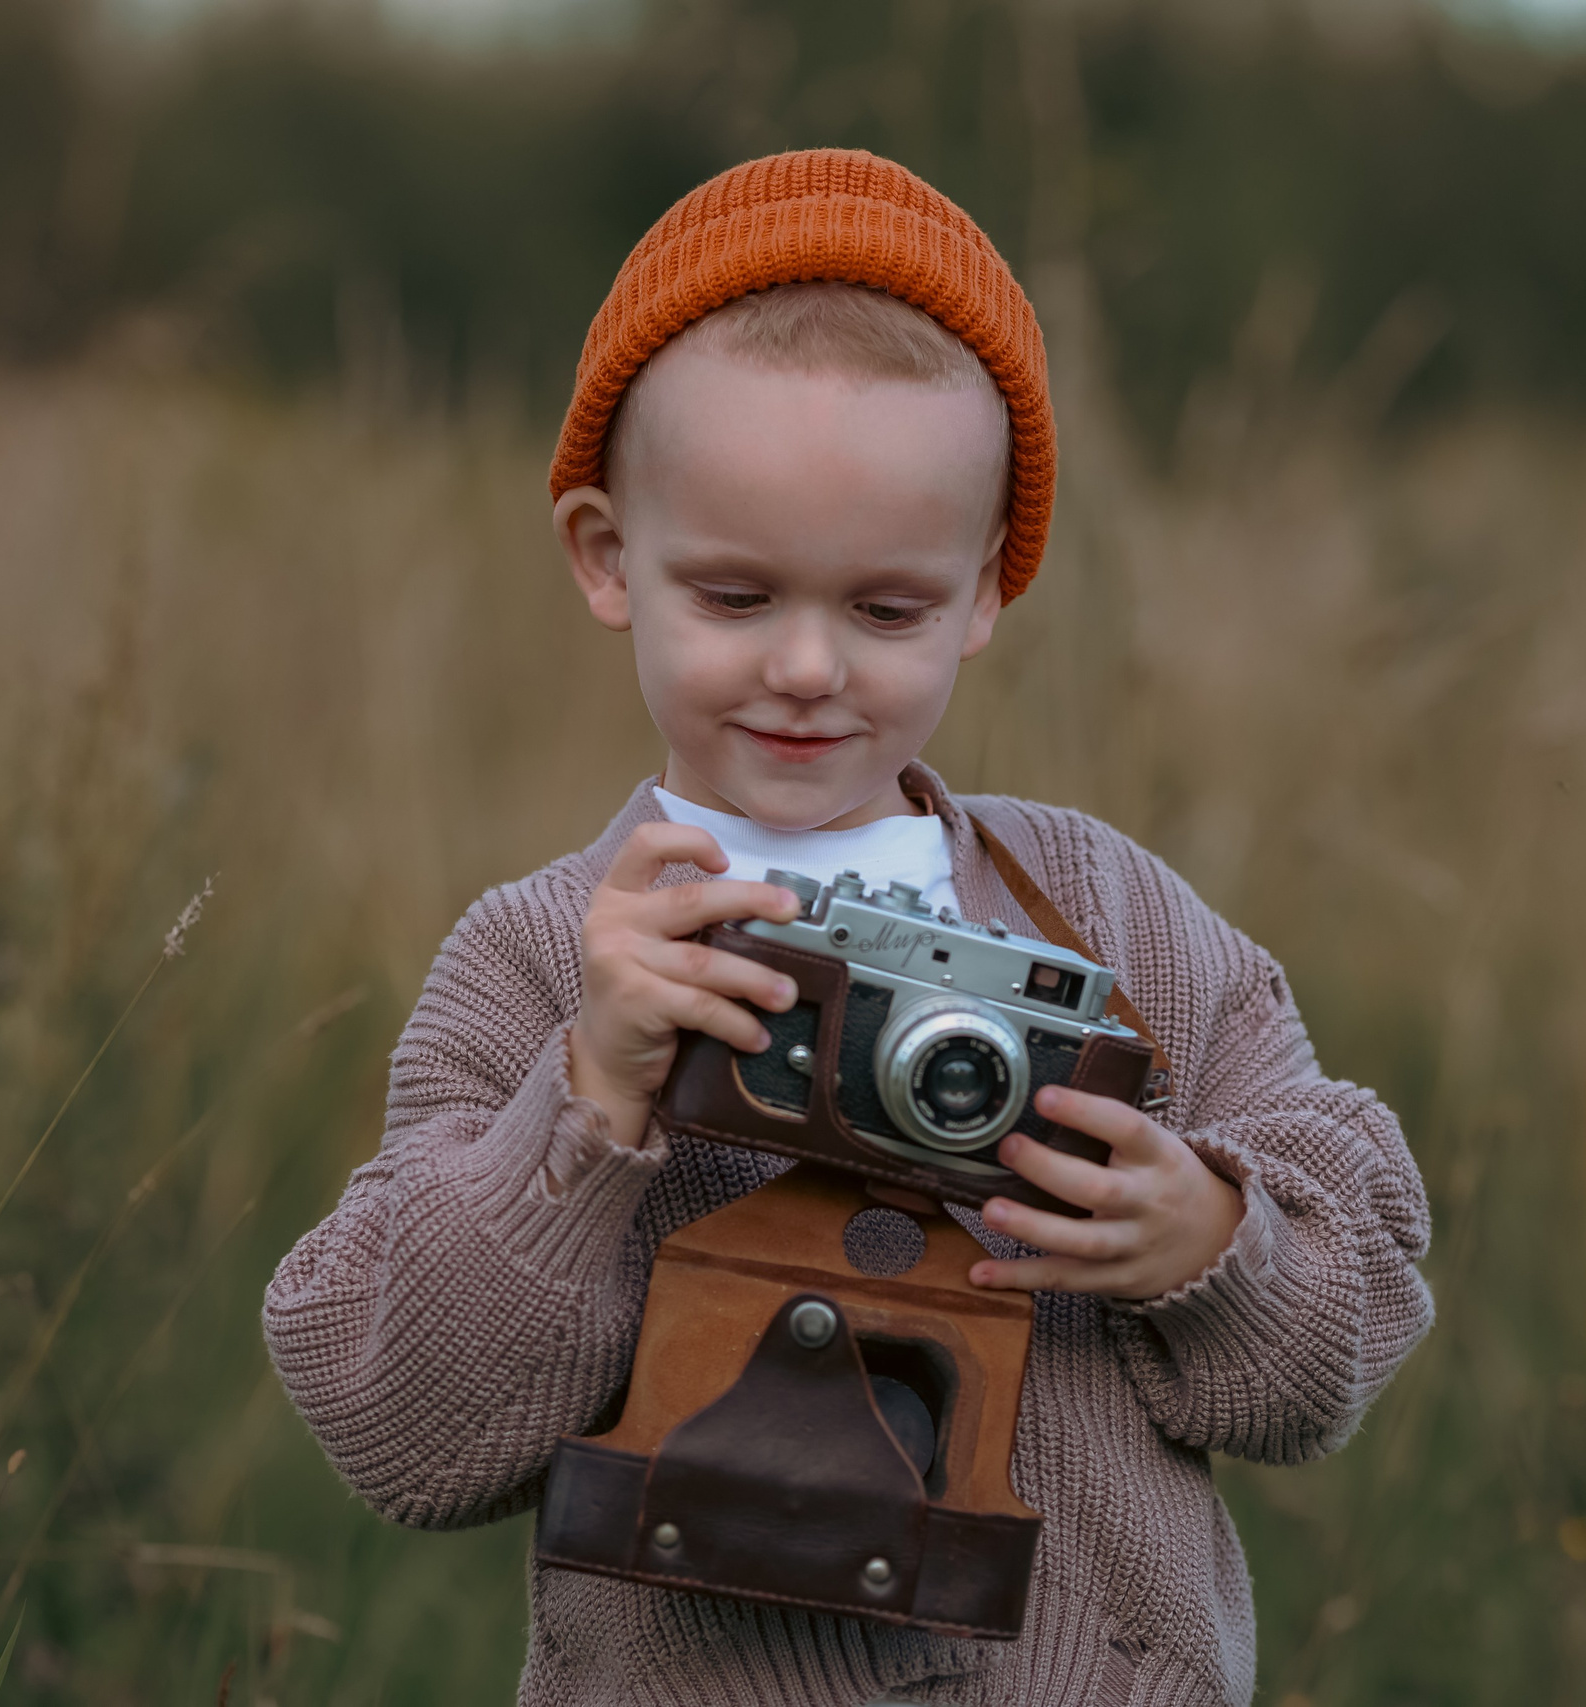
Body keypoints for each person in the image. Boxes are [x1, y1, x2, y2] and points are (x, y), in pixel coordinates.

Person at [264, 148, 1433, 1707]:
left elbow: (1344, 1337)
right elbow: (402, 1433)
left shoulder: (1119, 920)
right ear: (611, 561)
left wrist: (1212, 1244)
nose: (810, 668)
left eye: (885, 609)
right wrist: (591, 1098)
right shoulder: (547, 958)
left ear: (984, 594)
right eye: (738, 597)